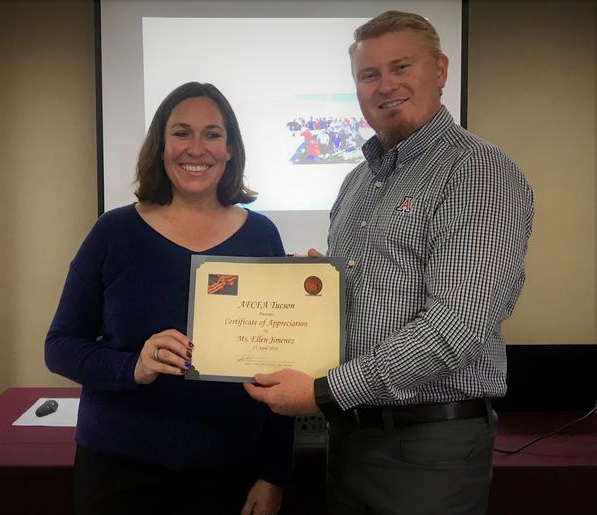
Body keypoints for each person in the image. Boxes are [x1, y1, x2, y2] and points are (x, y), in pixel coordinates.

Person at [245, 10, 534, 515]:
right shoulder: (358, 181)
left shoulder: (477, 172)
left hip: (428, 449)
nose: (386, 86)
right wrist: (318, 287)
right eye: (369, 74)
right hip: (353, 440)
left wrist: (326, 392)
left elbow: (456, 326)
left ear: (440, 70)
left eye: (401, 67)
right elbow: (375, 299)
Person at [45, 82, 294, 515]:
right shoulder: (113, 232)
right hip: (118, 471)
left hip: (229, 471)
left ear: (230, 149)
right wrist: (133, 366)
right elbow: (60, 346)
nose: (196, 148)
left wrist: (274, 472)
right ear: (161, 146)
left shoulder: (261, 235)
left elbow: (280, 365)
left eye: (212, 134)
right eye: (181, 132)